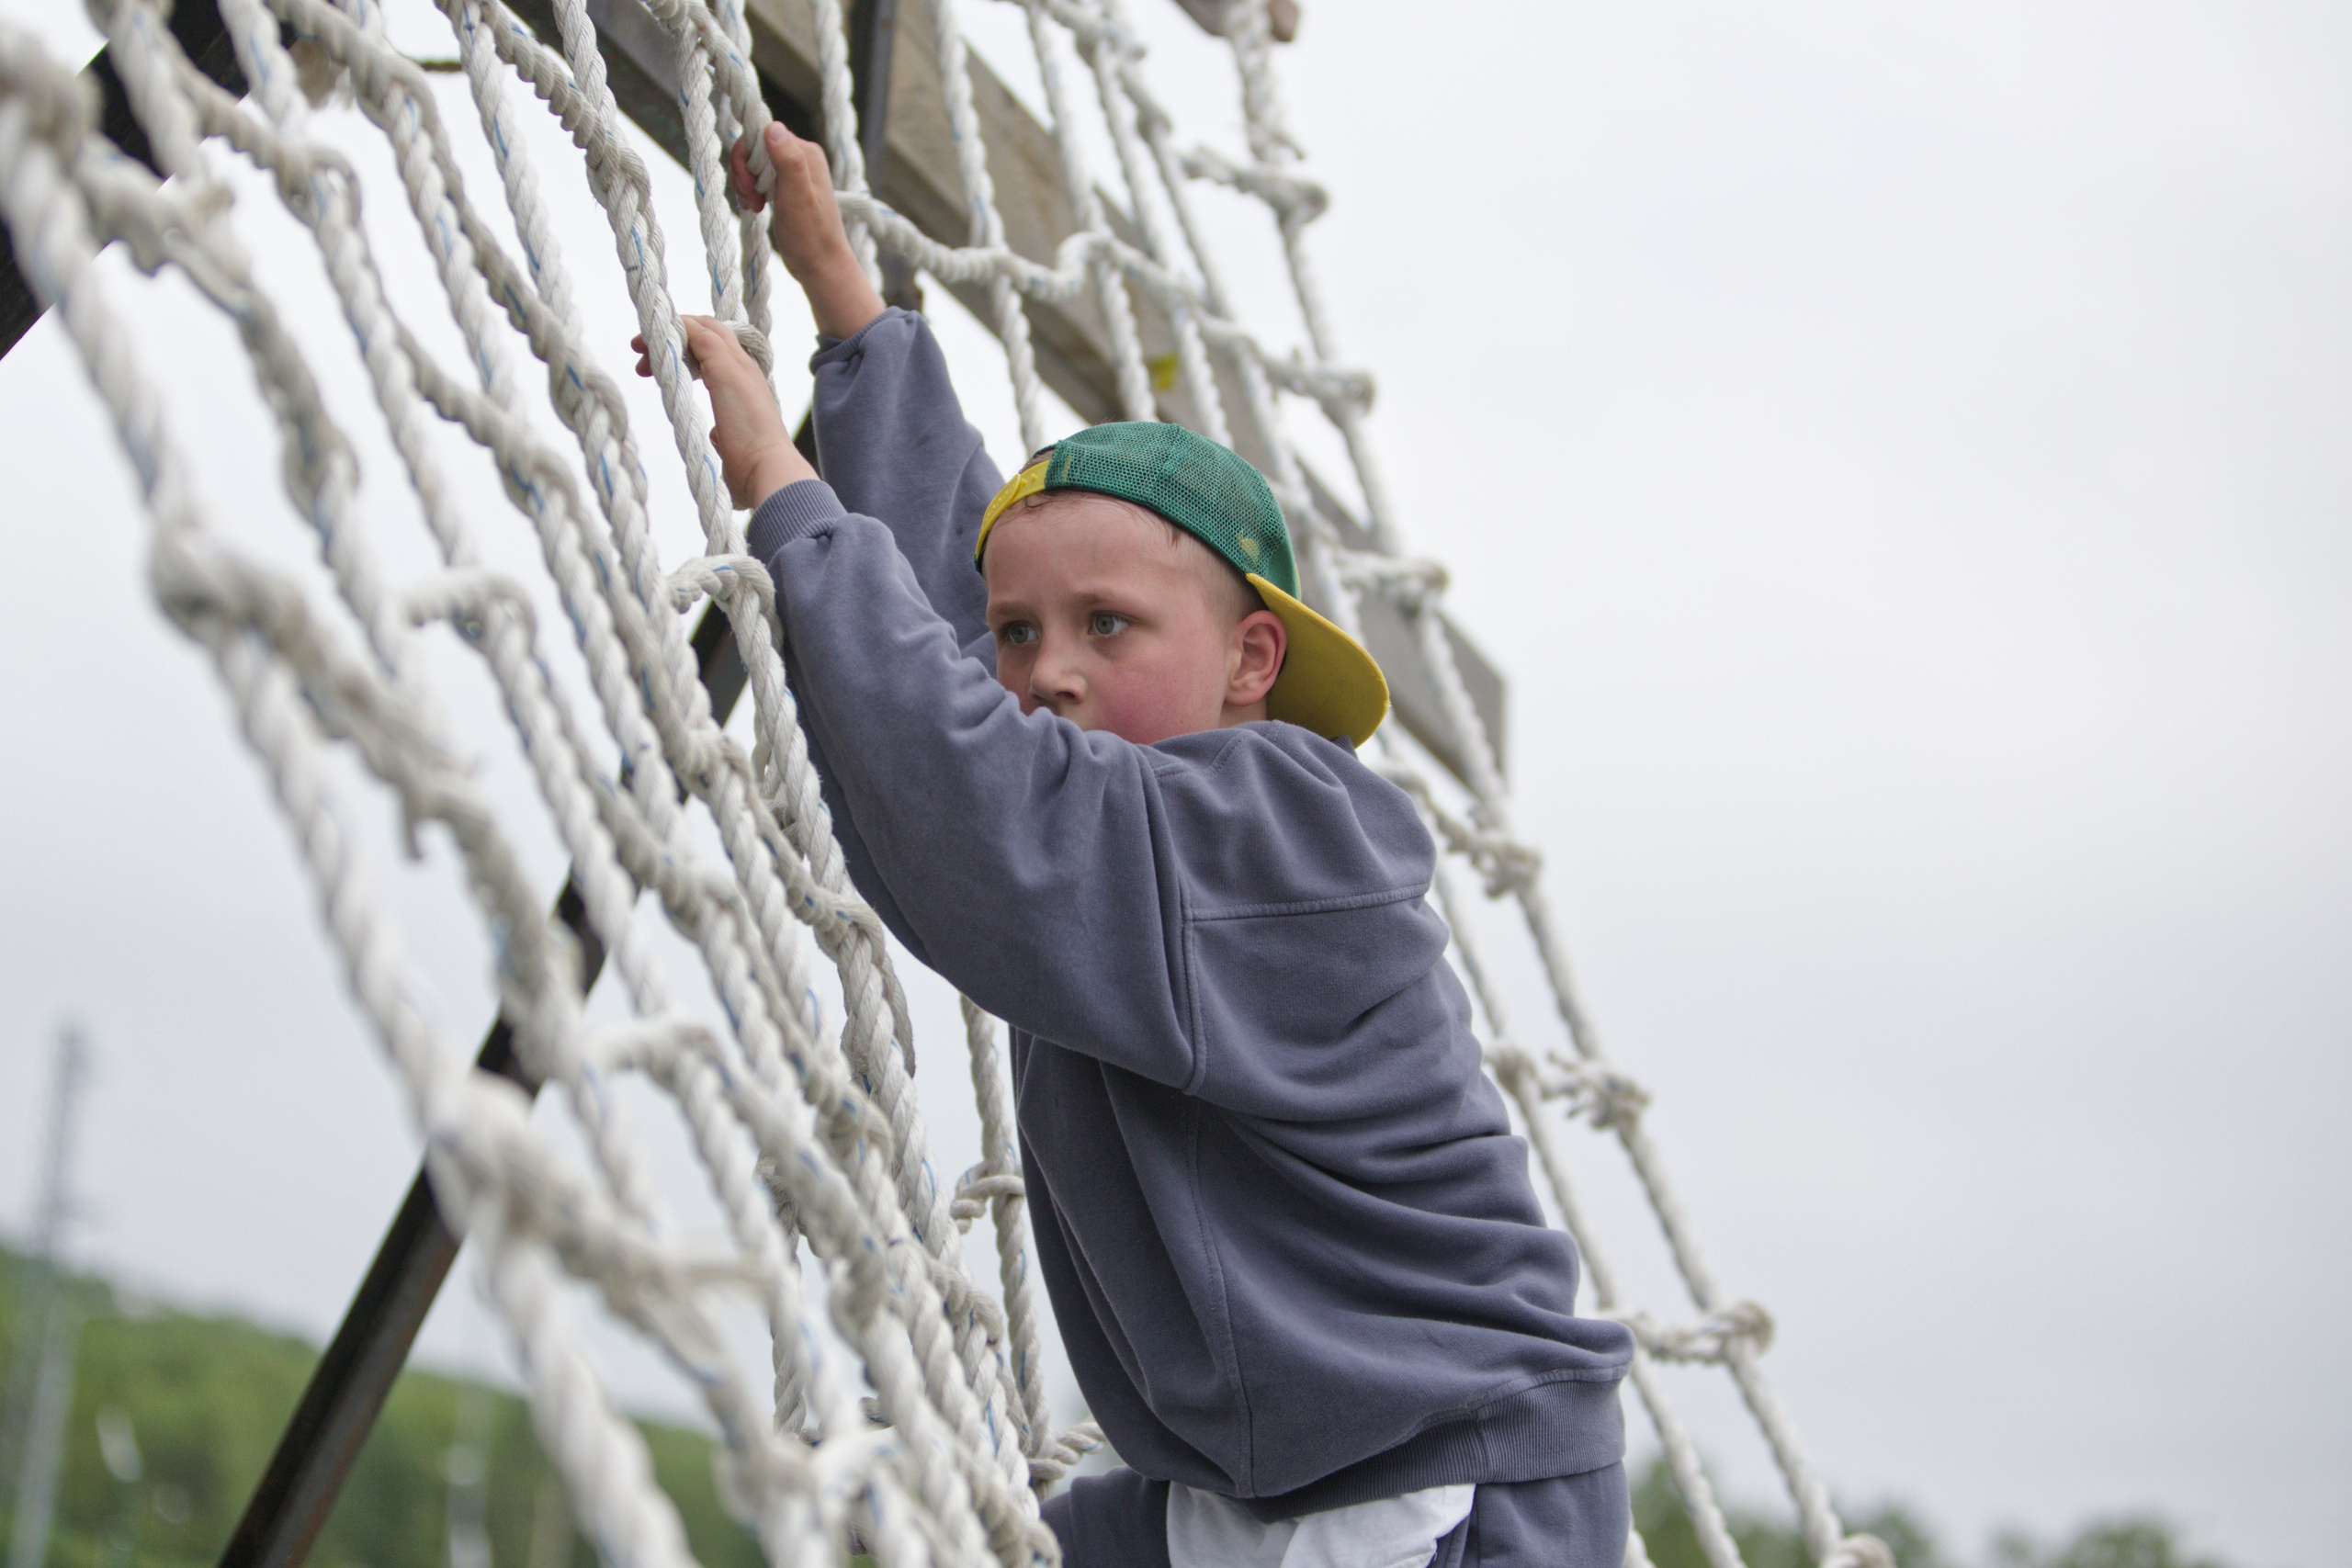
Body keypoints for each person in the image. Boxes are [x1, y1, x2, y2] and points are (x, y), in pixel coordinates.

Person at [638, 117, 1637, 1568]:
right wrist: (852, 315)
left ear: (1249, 662)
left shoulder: (1284, 828)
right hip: (1257, 1481)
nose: (1049, 667)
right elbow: (951, 625)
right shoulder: (1120, 781)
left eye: (1109, 628)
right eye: (1025, 634)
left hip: (1445, 1483)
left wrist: (790, 497)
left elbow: (973, 805)